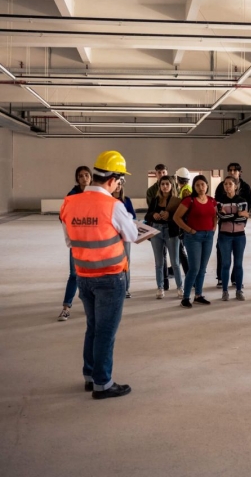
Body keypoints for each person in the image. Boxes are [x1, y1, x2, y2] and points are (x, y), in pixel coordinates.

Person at [59, 151, 138, 399]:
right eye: (120, 180)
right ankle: (102, 384)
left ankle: (90, 375)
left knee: (93, 327)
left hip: (84, 275)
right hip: (110, 278)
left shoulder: (69, 202)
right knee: (106, 331)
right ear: (113, 180)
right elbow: (133, 235)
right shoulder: (113, 206)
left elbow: (69, 240)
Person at [173, 175, 217, 309]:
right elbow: (177, 217)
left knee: (203, 268)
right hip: (193, 237)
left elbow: (215, 216)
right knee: (194, 268)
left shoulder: (212, 200)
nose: (200, 187)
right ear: (194, 187)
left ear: (207, 186)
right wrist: (189, 230)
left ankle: (198, 295)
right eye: (197, 185)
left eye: (203, 184)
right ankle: (186, 298)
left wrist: (213, 228)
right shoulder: (189, 200)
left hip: (208, 236)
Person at [58, 165, 92, 321]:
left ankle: (89, 306)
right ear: (77, 179)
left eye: (87, 175)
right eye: (81, 176)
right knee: (74, 274)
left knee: (91, 274)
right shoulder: (72, 195)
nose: (84, 178)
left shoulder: (95, 194)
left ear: (91, 177)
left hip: (93, 241)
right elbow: (63, 217)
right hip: (77, 242)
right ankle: (66, 307)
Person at [215, 163, 251, 287]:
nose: (232, 172)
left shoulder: (246, 187)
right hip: (224, 230)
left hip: (239, 229)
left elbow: (249, 204)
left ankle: (235, 279)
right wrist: (236, 214)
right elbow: (219, 208)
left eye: (235, 170)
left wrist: (244, 214)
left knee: (238, 259)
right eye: (230, 170)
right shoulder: (221, 187)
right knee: (222, 253)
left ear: (240, 172)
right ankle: (221, 278)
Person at [145, 175, 183, 299]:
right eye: (162, 184)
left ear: (172, 185)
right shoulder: (155, 200)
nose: (165, 186)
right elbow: (147, 216)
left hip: (171, 232)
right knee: (159, 262)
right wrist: (154, 214)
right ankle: (160, 287)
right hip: (156, 231)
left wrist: (170, 215)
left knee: (175, 262)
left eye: (167, 184)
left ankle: (180, 287)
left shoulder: (176, 201)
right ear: (159, 186)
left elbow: (181, 216)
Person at [216, 176, 249, 302]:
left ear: (236, 186)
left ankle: (239, 290)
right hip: (224, 236)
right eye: (225, 184)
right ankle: (225, 291)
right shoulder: (219, 201)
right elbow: (221, 217)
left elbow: (243, 219)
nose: (228, 186)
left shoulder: (242, 200)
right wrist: (237, 214)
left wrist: (230, 216)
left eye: (230, 184)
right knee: (225, 264)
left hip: (240, 236)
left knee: (238, 264)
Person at [146, 163, 173, 290]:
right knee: (160, 257)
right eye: (159, 173)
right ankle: (164, 283)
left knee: (178, 256)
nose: (161, 175)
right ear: (155, 174)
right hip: (157, 226)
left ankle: (187, 281)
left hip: (172, 226)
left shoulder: (173, 187)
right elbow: (151, 210)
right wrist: (156, 214)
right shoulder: (151, 191)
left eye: (163, 172)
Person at [112, 179, 136, 299]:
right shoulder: (109, 200)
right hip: (112, 236)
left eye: (120, 185)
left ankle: (126, 288)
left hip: (125, 236)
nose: (118, 187)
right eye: (116, 184)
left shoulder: (126, 200)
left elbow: (133, 216)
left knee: (126, 261)